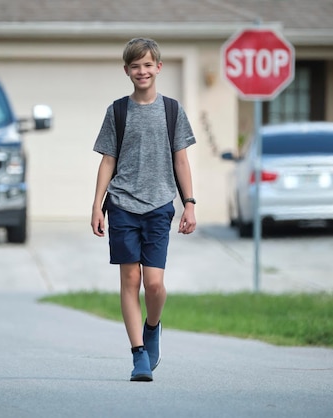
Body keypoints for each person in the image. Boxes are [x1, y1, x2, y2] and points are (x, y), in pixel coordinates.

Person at [91, 38, 197, 382]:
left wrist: (189, 204)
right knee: (130, 278)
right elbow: (108, 159)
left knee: (154, 284)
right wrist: (97, 205)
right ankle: (138, 354)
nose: (142, 71)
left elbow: (181, 159)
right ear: (127, 71)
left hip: (158, 205)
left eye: (148, 65)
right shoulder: (117, 111)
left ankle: (153, 327)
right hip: (122, 204)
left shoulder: (172, 110)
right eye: (135, 66)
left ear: (158, 68)